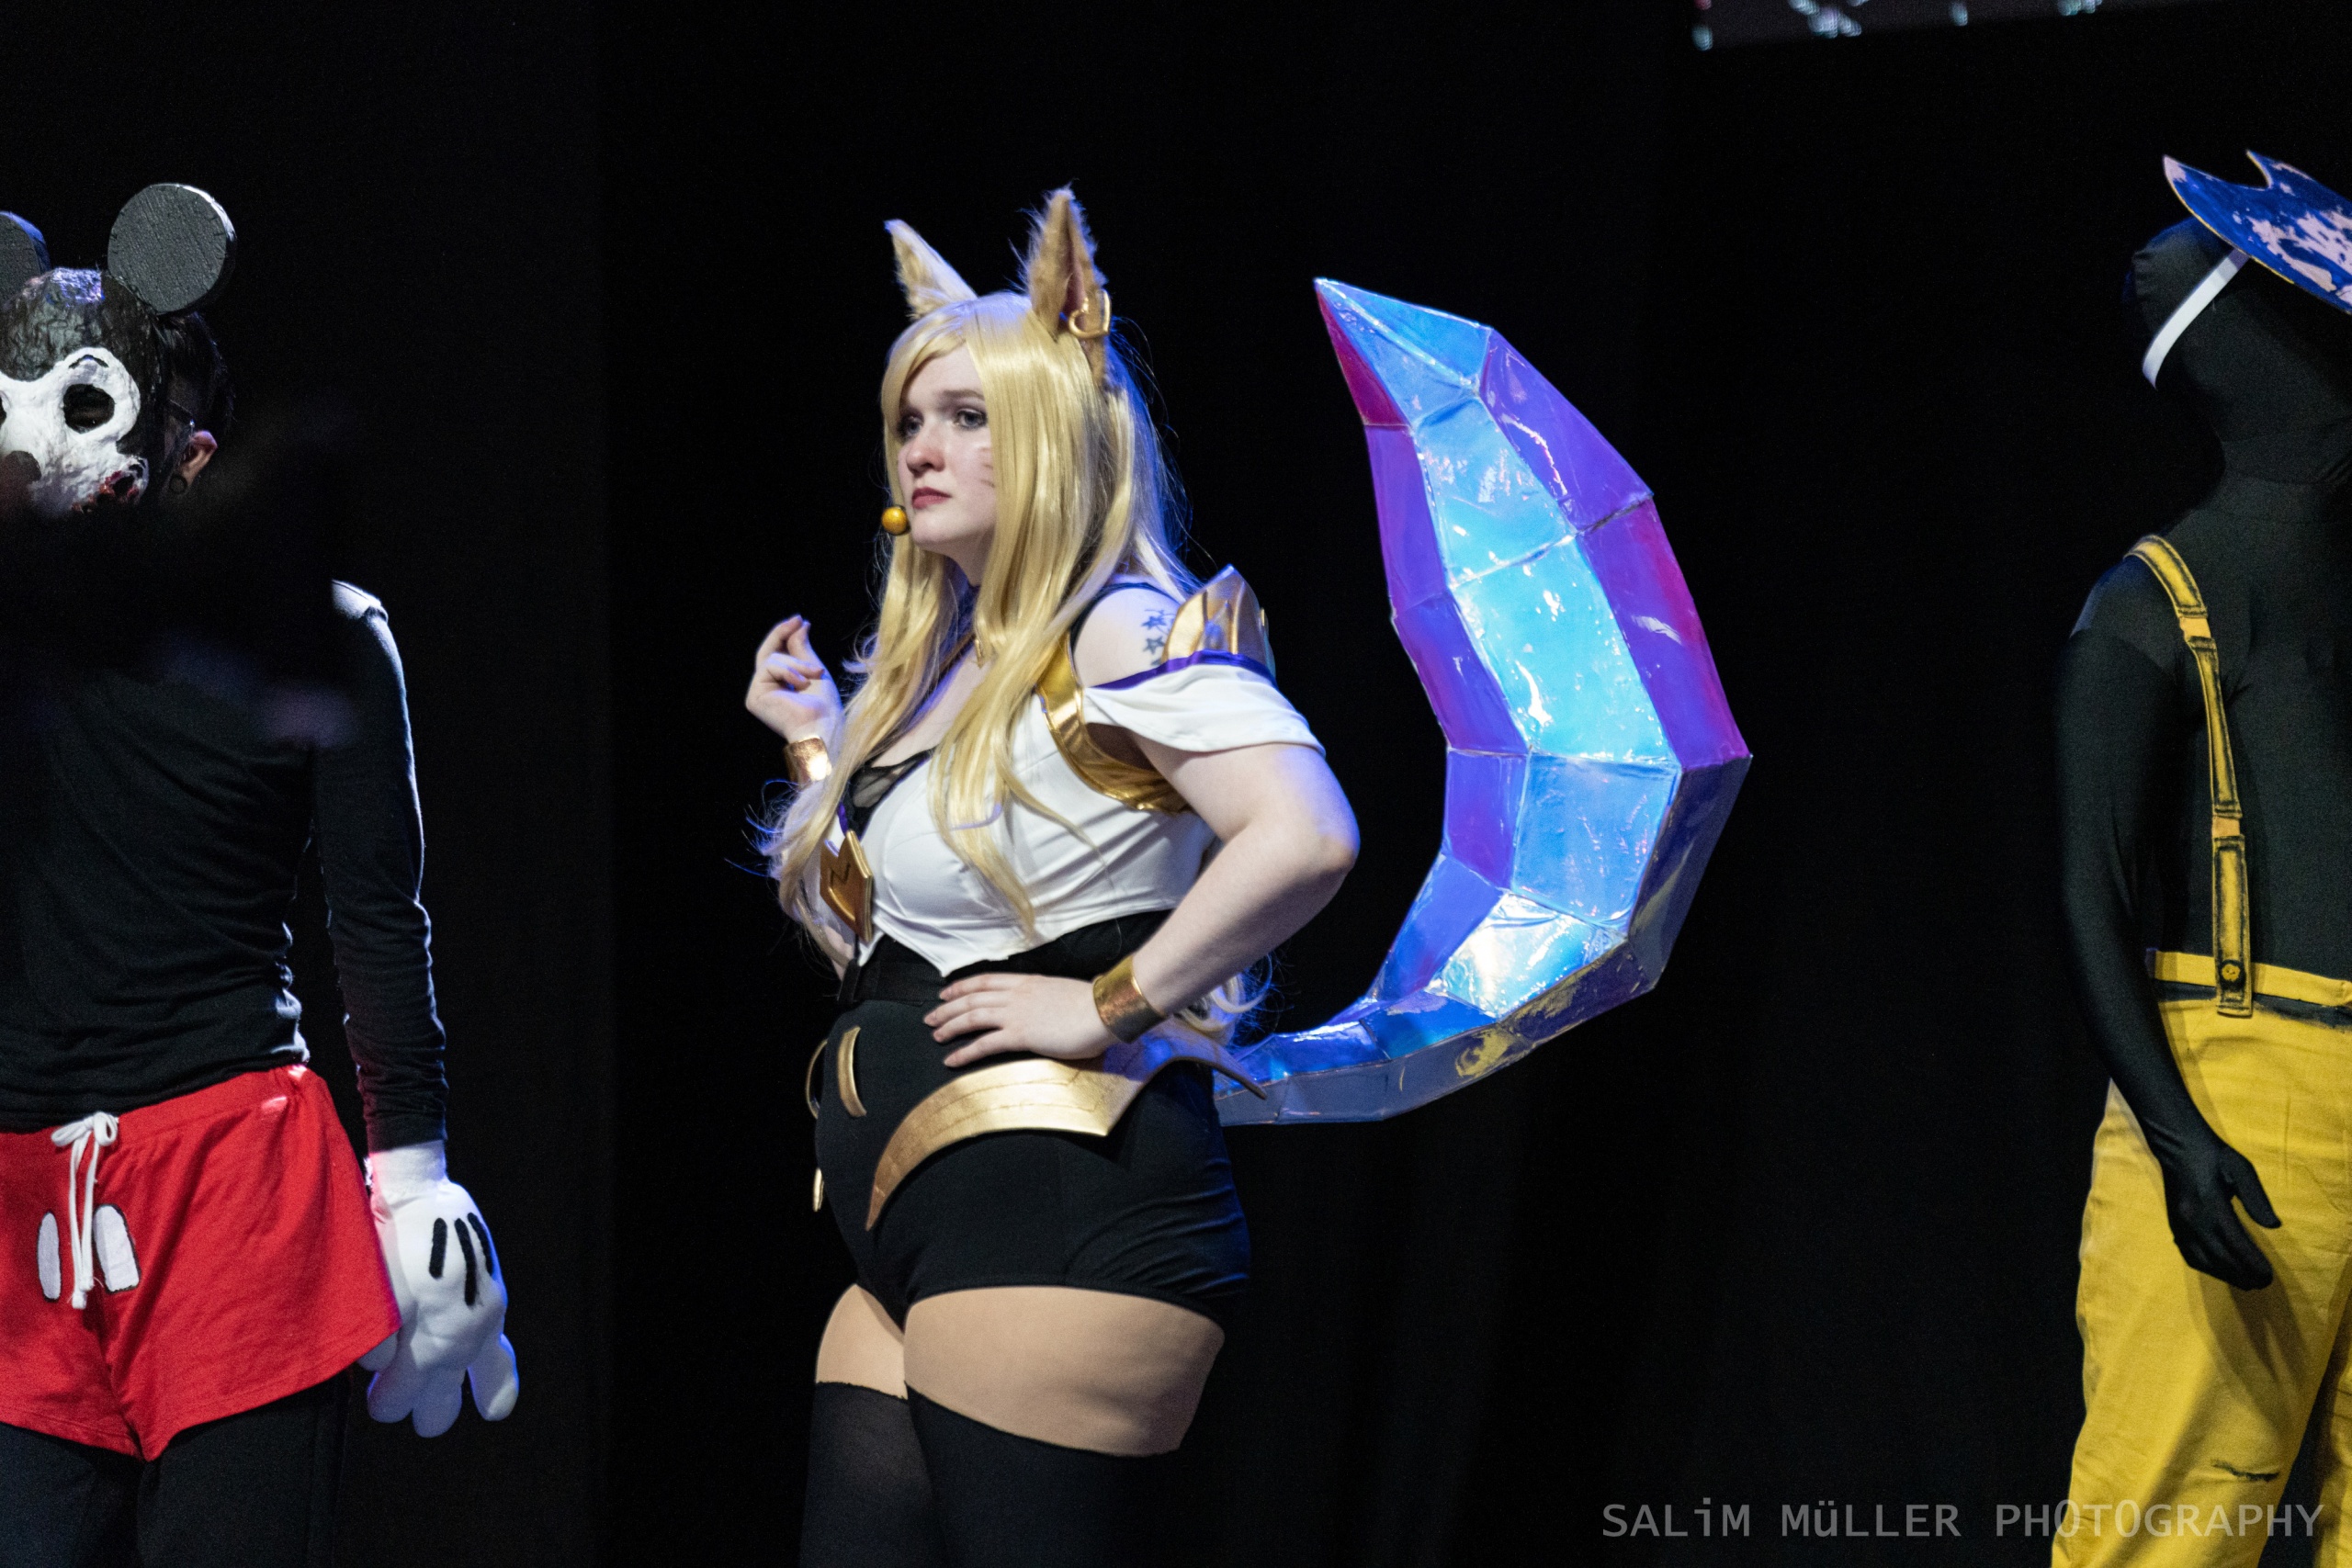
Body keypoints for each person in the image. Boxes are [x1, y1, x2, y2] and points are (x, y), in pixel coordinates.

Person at [750, 189, 1359, 1566]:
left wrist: (1105, 1006)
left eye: (967, 416)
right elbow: (888, 952)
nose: (923, 447)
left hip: (1065, 1214)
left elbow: (1306, 833)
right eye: (912, 419)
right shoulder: (946, 673)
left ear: (1049, 435)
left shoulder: (1121, 629)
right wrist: (817, 749)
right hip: (914, 1233)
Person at [0, 186, 515, 1568]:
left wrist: (414, 1178)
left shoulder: (314, 633)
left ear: (194, 454)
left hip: (236, 1195)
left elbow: (377, 918)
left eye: (89, 406)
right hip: (22, 1212)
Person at [2053, 157, 2352, 1564]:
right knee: (2169, 1532)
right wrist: (2175, 1133)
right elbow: (2090, 891)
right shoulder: (2151, 604)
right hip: (2243, 1091)